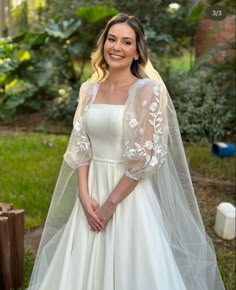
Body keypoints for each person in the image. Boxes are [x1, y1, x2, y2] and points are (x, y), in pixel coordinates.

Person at [27, 13, 225, 290]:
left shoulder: (148, 90)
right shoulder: (89, 90)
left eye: (126, 42)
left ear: (137, 51)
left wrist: (109, 206)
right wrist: (84, 195)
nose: (116, 47)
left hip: (128, 195)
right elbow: (81, 145)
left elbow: (143, 158)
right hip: (92, 192)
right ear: (103, 43)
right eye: (111, 39)